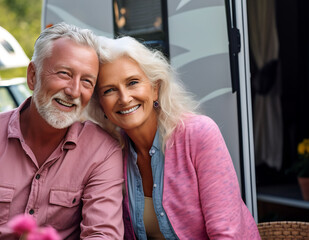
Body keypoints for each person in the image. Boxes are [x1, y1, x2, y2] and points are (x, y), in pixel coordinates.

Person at [0, 23, 124, 240]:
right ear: (33, 76)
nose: (74, 91)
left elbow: (103, 234)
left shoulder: (102, 152)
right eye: (64, 73)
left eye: (86, 81)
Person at [86, 36, 261, 239]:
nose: (124, 98)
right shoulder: (111, 153)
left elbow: (226, 233)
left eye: (133, 82)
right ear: (101, 105)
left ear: (155, 88)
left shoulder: (199, 134)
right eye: (109, 90)